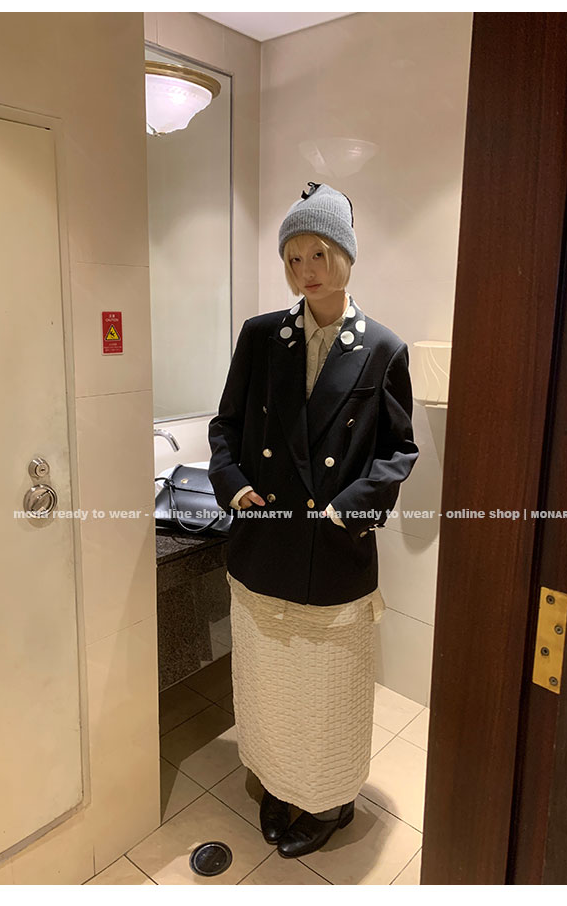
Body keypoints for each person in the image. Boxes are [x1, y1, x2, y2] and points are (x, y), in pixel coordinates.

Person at [208, 181, 419, 858]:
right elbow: (226, 426)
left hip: (330, 552)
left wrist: (347, 510)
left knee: (328, 692)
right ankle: (278, 780)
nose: (306, 271)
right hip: (264, 544)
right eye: (293, 257)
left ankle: (328, 798)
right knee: (269, 684)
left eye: (319, 254)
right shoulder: (261, 336)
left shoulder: (383, 348)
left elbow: (398, 450)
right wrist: (233, 483)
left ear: (346, 255)